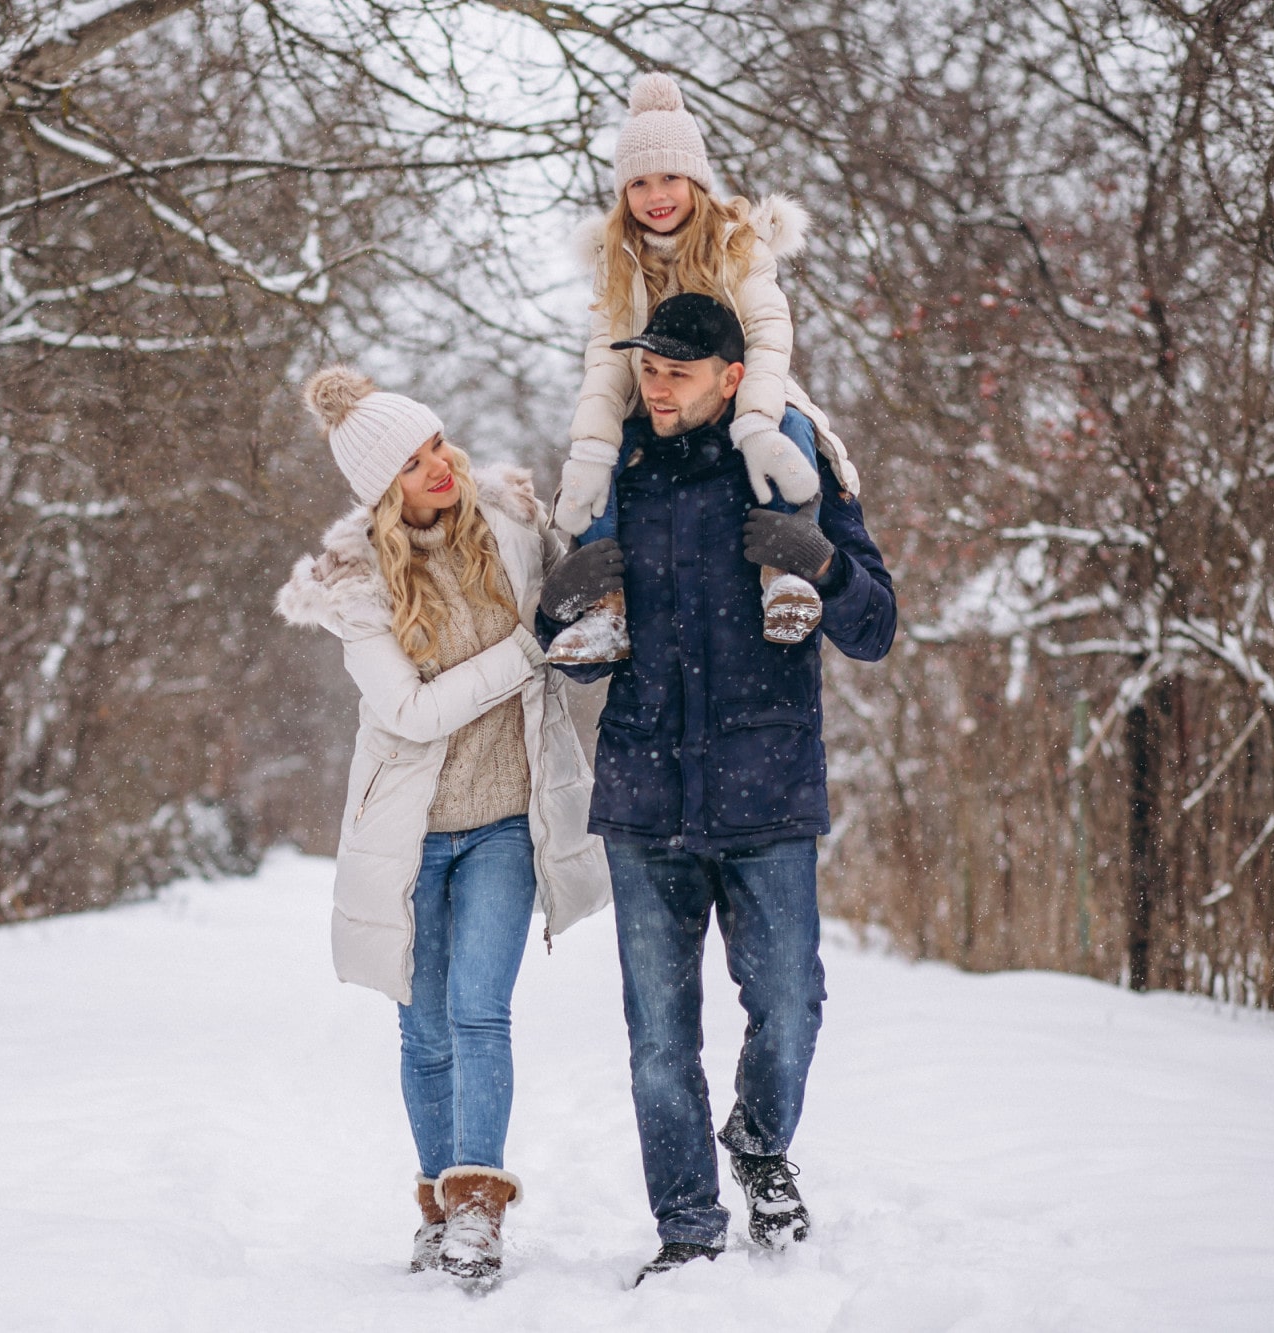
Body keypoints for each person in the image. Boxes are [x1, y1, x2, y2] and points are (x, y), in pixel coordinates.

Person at [535, 294, 897, 1283]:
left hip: (765, 789)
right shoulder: (621, 474)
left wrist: (819, 563)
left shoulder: (787, 467)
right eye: (646, 368)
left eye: (677, 370)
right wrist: (558, 604)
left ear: (730, 377)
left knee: (789, 1002)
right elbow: (568, 654)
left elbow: (874, 627)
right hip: (644, 796)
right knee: (658, 1037)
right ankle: (687, 1224)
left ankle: (759, 1140)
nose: (654, 386)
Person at [276, 367, 611, 1287]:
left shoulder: (508, 525)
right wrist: (524, 648)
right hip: (411, 833)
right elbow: (414, 715)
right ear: (381, 491)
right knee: (422, 1030)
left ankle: (476, 1210)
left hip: (505, 820)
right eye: (412, 461)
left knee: (478, 1008)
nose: (437, 465)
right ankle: (434, 1202)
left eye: (435, 444)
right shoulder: (355, 588)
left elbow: (578, 587)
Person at [547, 72, 865, 661]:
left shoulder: (736, 244)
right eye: (638, 182)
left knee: (789, 430)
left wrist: (755, 423)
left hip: (747, 391)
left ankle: (785, 577)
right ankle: (605, 611)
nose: (655, 193)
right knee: (601, 466)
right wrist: (591, 448)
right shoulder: (616, 259)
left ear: (696, 179)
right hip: (655, 403)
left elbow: (769, 336)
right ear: (623, 194)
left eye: (670, 176)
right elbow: (607, 359)